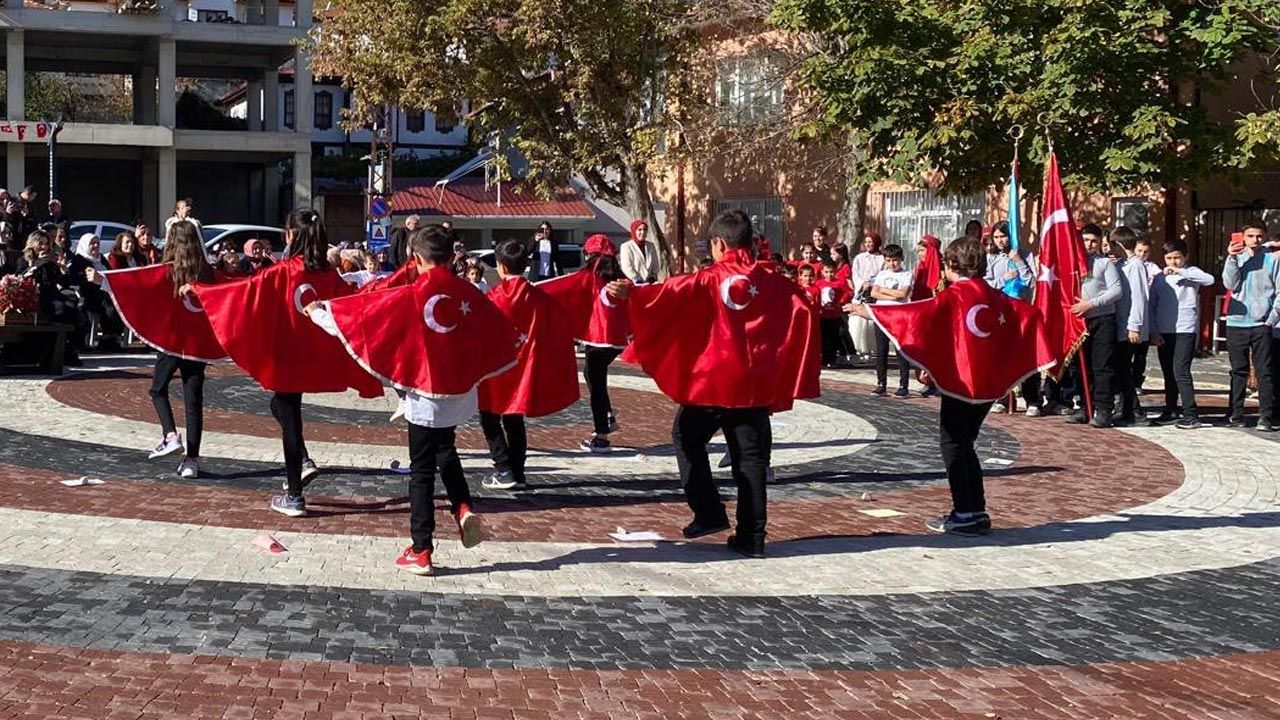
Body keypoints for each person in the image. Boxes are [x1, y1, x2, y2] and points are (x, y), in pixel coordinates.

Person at [607, 210, 820, 557]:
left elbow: (668, 295)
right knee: (750, 461)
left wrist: (631, 294)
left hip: (714, 381)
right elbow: (804, 307)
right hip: (754, 383)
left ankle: (708, 512)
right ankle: (752, 536)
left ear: (720, 244)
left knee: (686, 437)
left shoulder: (708, 279)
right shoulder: (775, 281)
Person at [309, 225, 519, 575]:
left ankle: (422, 549)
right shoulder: (469, 292)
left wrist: (318, 313)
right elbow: (501, 328)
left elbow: (363, 319)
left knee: (421, 471)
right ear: (452, 256)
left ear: (416, 258)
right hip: (458, 392)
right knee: (445, 449)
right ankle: (462, 507)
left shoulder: (410, 294)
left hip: (423, 393)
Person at [851, 238, 1053, 535]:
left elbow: (917, 317)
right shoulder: (994, 295)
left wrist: (871, 312)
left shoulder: (954, 295)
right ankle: (976, 511)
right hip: (987, 384)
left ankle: (964, 512)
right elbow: (1027, 314)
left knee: (953, 444)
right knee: (964, 443)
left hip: (961, 382)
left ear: (951, 266)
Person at [195, 209, 384, 518]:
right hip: (314, 354)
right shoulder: (327, 273)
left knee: (289, 416)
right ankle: (303, 466)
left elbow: (242, 293)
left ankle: (295, 493)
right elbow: (347, 302)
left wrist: (203, 291)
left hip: (287, 355)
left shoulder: (283, 271)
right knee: (283, 410)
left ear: (292, 236)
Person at [479, 239, 579, 491]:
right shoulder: (540, 298)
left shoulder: (493, 298)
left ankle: (503, 467)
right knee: (514, 418)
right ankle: (517, 470)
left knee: (489, 417)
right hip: (524, 369)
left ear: (500, 266)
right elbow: (560, 322)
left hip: (497, 370)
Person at [540, 234, 630, 453]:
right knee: (593, 376)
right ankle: (607, 417)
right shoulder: (623, 278)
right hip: (618, 339)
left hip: (599, 338)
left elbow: (559, 288)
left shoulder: (588, 276)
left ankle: (601, 435)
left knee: (596, 384)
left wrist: (531, 289)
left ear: (590, 254)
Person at [142, 221, 215, 478]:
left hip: (172, 341)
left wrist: (104, 281)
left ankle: (170, 435)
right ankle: (192, 461)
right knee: (193, 400)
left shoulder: (167, 271)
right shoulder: (207, 271)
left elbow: (137, 285)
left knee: (157, 389)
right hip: (198, 344)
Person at [1221, 219, 1280, 430]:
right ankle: (1235, 415)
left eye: (1259, 236)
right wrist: (1231, 258)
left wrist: (1270, 320)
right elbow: (1230, 284)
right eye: (1250, 236)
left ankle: (1266, 416)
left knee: (1264, 371)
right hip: (1236, 322)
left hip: (1261, 323)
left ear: (1264, 237)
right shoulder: (1236, 257)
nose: (1254, 240)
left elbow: (1279, 292)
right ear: (1243, 237)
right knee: (1238, 371)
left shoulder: (1273, 259)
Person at [1150, 239, 1213, 429]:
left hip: (1185, 329)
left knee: (1181, 371)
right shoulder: (1160, 278)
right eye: (1169, 258)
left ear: (1185, 257)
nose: (1173, 262)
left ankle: (1191, 413)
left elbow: (1209, 280)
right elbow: (1152, 305)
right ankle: (1170, 409)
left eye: (1177, 258)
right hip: (1164, 330)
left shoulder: (1191, 273)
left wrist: (1181, 271)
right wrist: (1154, 330)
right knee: (1168, 372)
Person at [1066, 223, 1123, 428]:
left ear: (1100, 243)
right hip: (1078, 321)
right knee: (1081, 367)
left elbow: (1116, 291)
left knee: (1102, 366)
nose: (1089, 244)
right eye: (1085, 240)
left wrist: (1090, 303)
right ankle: (1084, 406)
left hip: (1102, 319)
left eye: (1094, 241)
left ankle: (1103, 410)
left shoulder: (1105, 264)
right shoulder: (1071, 262)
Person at [15, 230, 82, 364]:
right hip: (34, 296)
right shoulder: (23, 260)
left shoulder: (50, 262)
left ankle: (68, 349)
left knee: (75, 310)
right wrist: (34, 267)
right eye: (41, 244)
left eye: (47, 244)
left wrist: (63, 269)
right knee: (62, 309)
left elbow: (63, 283)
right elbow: (18, 280)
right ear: (33, 244)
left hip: (52, 295)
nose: (44, 247)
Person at [1107, 227, 1152, 426]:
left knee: (1124, 370)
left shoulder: (1136, 266)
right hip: (1121, 325)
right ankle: (1126, 408)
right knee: (1121, 369)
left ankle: (1136, 411)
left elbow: (1139, 297)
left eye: (1112, 244)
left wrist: (1134, 326)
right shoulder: (1123, 264)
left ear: (1120, 245)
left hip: (1128, 326)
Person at [868, 244, 913, 397]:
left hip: (899, 315)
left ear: (901, 259)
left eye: (895, 260)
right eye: (888, 260)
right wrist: (893, 294)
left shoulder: (907, 274)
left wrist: (885, 291)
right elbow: (874, 292)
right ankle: (881, 383)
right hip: (881, 314)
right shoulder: (881, 274)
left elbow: (903, 293)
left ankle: (903, 385)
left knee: (901, 350)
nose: (892, 264)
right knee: (881, 350)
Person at [67, 233, 124, 351]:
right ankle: (107, 338)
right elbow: (77, 280)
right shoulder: (79, 260)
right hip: (88, 295)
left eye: (97, 243)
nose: (96, 246)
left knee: (117, 302)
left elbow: (110, 274)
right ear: (85, 245)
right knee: (109, 304)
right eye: (92, 243)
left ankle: (112, 338)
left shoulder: (101, 258)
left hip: (104, 293)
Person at [1130, 237, 1162, 394]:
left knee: (1141, 354)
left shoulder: (1153, 268)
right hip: (1132, 315)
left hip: (1147, 315)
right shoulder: (1130, 265)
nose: (1142, 254)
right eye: (1139, 250)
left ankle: (1137, 381)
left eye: (1145, 251)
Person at [814, 261, 853, 368]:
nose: (829, 274)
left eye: (831, 272)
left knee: (834, 337)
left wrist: (840, 302)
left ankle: (831, 359)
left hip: (834, 315)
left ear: (835, 271)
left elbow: (849, 292)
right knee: (823, 338)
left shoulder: (840, 282)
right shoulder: (818, 283)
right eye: (826, 272)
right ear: (822, 272)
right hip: (822, 315)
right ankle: (823, 359)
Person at [620, 220, 659, 284]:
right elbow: (627, 267)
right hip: (634, 283)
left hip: (650, 283)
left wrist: (653, 277)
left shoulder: (651, 246)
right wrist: (637, 279)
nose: (643, 232)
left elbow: (655, 264)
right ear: (634, 231)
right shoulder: (626, 246)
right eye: (639, 230)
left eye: (645, 230)